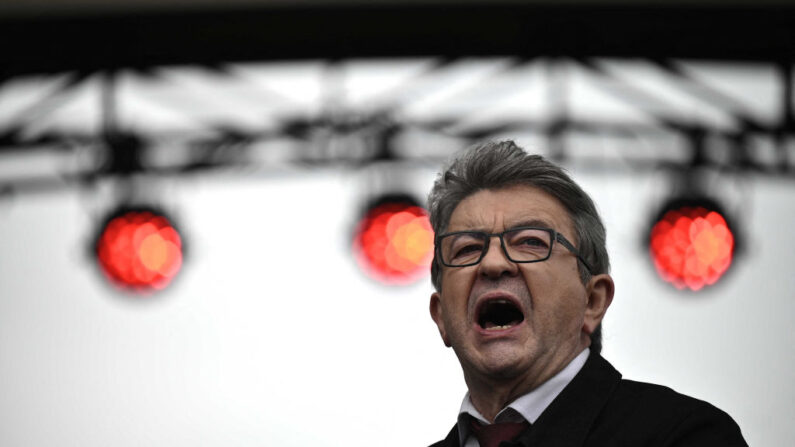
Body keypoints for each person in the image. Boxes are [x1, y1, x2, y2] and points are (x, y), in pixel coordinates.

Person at [426, 141, 747, 447]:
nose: (493, 263)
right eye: (467, 248)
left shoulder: (684, 435)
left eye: (531, 242)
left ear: (592, 301)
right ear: (441, 316)